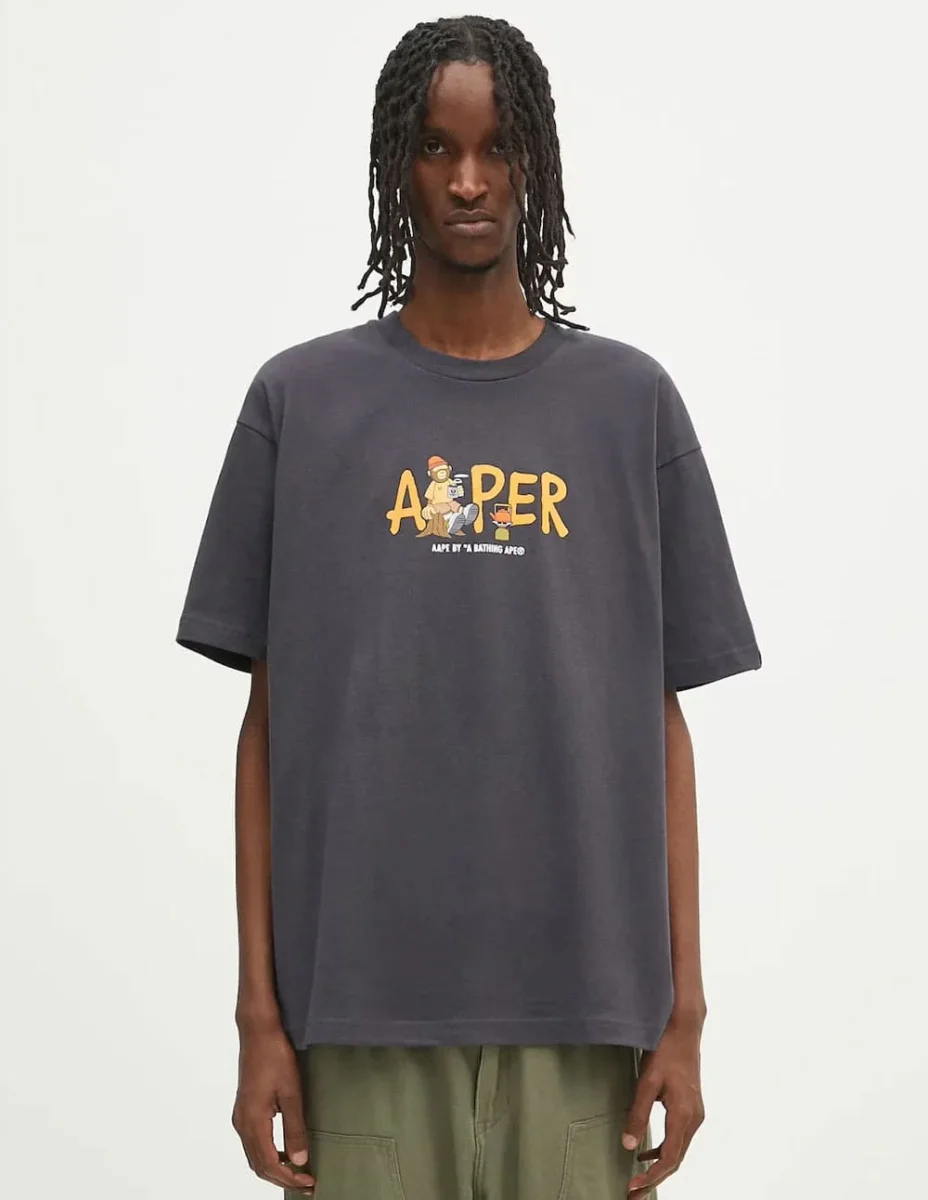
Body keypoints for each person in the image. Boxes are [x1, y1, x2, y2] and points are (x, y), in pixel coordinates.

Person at [175, 15, 761, 1199]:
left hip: (586, 1020)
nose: (468, 181)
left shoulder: (629, 408)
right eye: (437, 148)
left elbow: (661, 728)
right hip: (359, 1020)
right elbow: (265, 732)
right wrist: (258, 1020)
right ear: (395, 166)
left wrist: (685, 1013)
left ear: (536, 163)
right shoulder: (300, 405)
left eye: (497, 148)